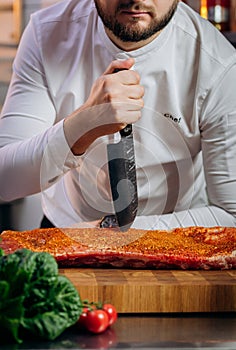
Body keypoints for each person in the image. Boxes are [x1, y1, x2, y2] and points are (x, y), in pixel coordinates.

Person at [0, 0, 236, 230]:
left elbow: (231, 214)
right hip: (68, 229)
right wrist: (84, 125)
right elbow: (5, 181)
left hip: (174, 237)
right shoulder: (46, 33)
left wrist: (110, 232)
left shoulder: (218, 63)